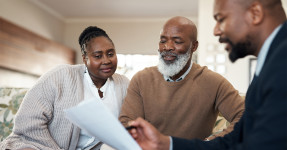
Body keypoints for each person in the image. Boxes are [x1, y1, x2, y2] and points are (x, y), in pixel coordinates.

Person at [127, 0, 287, 149]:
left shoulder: (281, 63)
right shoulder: (270, 62)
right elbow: (238, 137)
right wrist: (168, 144)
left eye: (221, 19)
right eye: (163, 40)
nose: (216, 31)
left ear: (255, 14)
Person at [0, 26, 129, 150]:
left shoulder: (124, 84)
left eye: (110, 54)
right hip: (40, 145)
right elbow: (27, 123)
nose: (106, 60)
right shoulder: (60, 76)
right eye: (97, 56)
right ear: (85, 59)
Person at [119, 16, 245, 141]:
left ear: (194, 46)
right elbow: (127, 123)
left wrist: (211, 144)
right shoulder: (141, 79)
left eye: (177, 41)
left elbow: (245, 117)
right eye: (163, 41)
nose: (167, 47)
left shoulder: (214, 82)